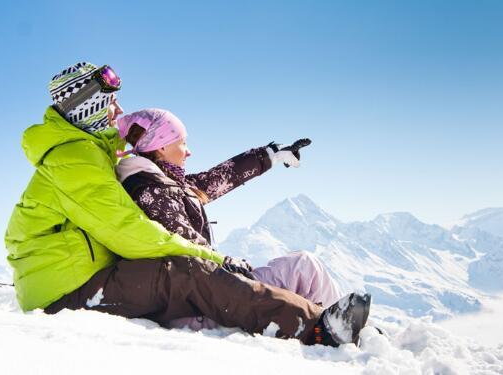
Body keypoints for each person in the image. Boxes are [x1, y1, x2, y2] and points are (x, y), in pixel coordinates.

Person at [4, 61, 370, 347]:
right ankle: (316, 328)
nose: (118, 107)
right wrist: (219, 260)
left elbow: (202, 183)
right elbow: (130, 233)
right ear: (91, 107)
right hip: (61, 292)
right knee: (185, 272)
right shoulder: (82, 163)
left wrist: (267, 157)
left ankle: (337, 326)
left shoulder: (94, 155)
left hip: (73, 278)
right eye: (110, 100)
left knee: (201, 269)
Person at [114, 108, 345, 330]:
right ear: (162, 146)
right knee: (304, 267)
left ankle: (333, 326)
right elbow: (185, 248)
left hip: (206, 292)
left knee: (301, 267)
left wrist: (269, 154)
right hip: (197, 305)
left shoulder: (164, 183)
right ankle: (343, 330)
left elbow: (217, 179)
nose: (188, 151)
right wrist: (229, 263)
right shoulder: (150, 191)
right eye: (182, 143)